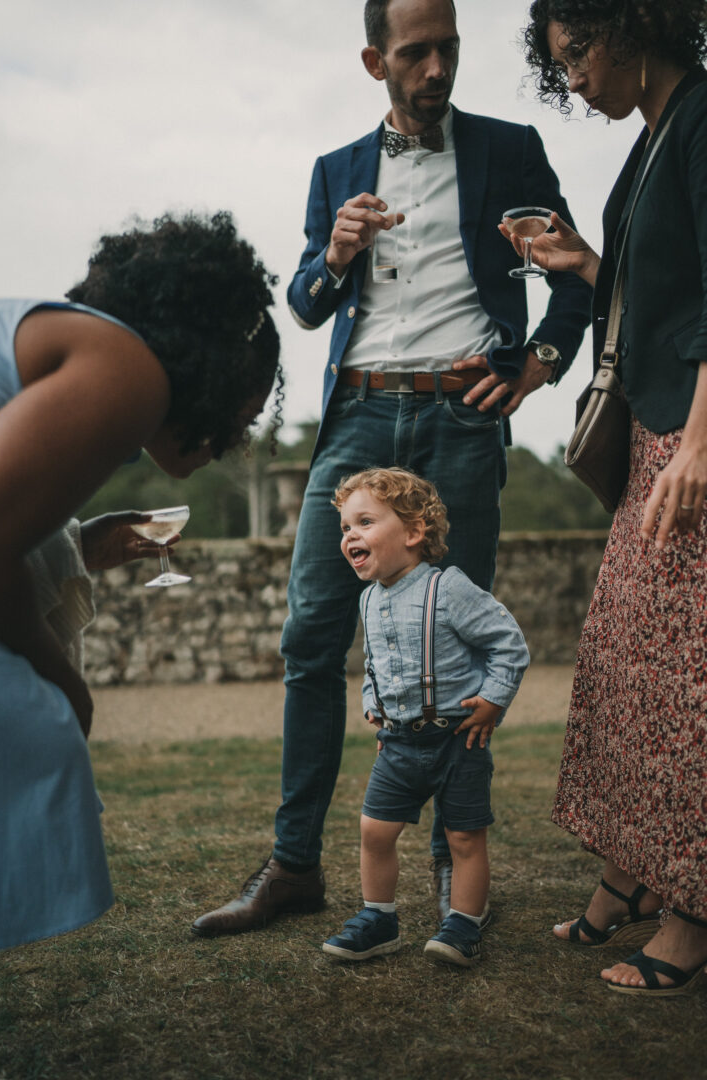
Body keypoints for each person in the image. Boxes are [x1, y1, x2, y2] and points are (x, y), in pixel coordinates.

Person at [192, 0, 591, 938]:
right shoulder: (336, 171)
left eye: (448, 49)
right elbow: (302, 303)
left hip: (463, 413)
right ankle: (294, 866)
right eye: (416, 53)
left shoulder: (510, 148)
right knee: (311, 638)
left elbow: (571, 273)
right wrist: (335, 253)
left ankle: (459, 878)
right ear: (376, 60)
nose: (437, 68)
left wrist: (540, 362)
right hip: (360, 417)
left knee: (459, 648)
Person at [0, 211, 282, 962]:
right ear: (217, 369)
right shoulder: (127, 371)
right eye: (244, 413)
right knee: (38, 734)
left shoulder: (76, 343)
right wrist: (64, 686)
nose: (234, 439)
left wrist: (81, 546)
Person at [506, 0, 707, 996]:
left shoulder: (704, 117)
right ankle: (630, 874)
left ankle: (691, 911)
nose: (574, 77)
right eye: (562, 63)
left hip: (692, 440)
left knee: (683, 687)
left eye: (580, 50)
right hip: (657, 440)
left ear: (638, 23)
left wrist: (702, 443)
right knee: (624, 667)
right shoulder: (657, 133)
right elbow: (659, 285)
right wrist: (584, 263)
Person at [320, 468, 529, 967]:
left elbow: (508, 644)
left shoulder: (448, 589)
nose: (351, 536)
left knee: (463, 836)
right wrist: (377, 706)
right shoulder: (369, 599)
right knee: (374, 831)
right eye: (346, 527)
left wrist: (494, 700)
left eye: (365, 522)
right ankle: (378, 918)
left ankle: (463, 923)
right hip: (399, 745)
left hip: (458, 740)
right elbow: (375, 661)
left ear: (414, 532)